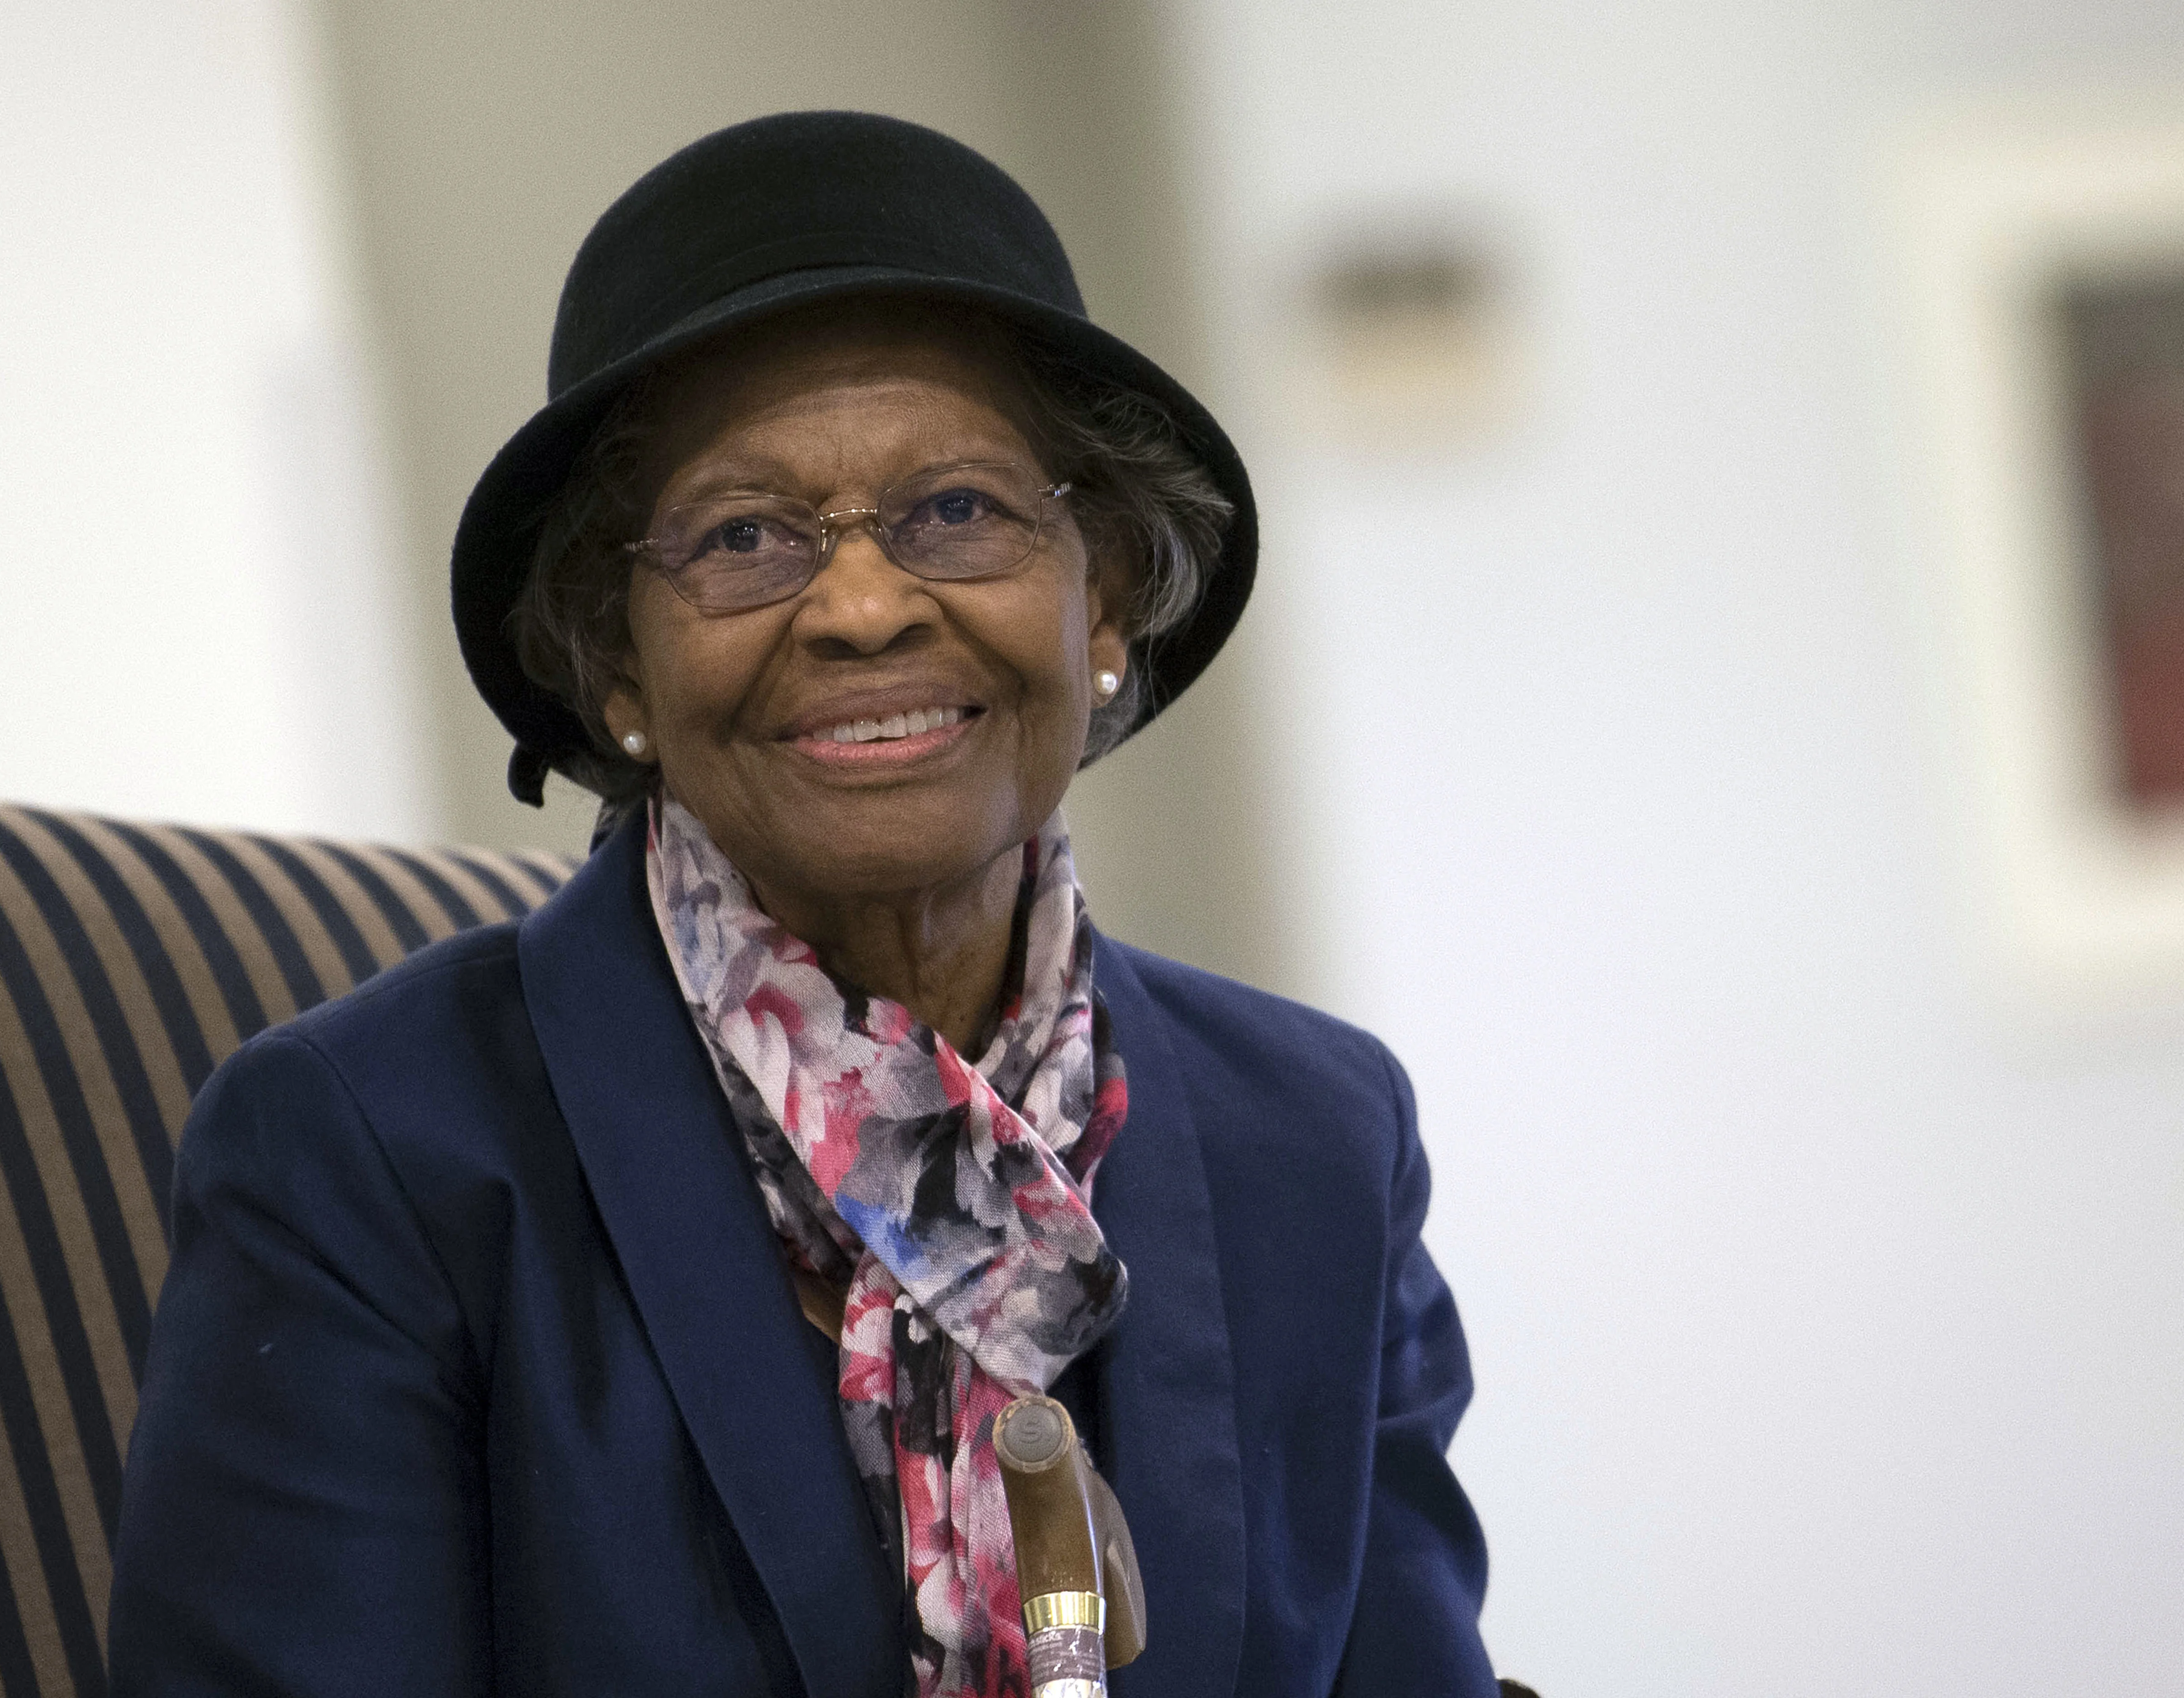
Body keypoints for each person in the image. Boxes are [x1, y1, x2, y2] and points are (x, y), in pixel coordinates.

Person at [109, 111, 1500, 1698]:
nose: (858, 606)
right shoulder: (373, 1159)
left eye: (959, 510)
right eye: (745, 537)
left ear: (1102, 597)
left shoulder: (1319, 1141)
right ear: (616, 663)